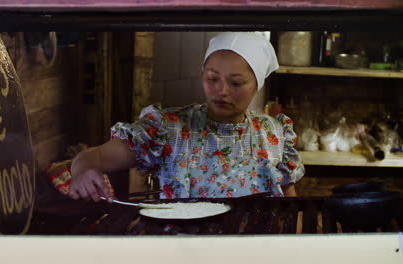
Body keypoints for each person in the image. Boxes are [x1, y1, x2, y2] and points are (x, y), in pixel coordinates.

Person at [69, 32, 305, 202]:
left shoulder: (274, 134)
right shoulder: (169, 129)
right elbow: (91, 159)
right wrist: (82, 172)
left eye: (236, 83)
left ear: (256, 86)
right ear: (202, 74)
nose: (221, 91)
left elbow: (289, 200)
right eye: (212, 78)